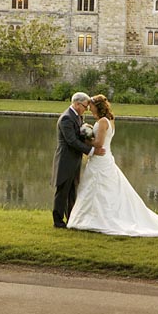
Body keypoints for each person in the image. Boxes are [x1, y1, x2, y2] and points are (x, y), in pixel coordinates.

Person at [67, 94, 158, 237]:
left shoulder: (102, 122)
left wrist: (83, 139)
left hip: (101, 160)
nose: (89, 110)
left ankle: (97, 220)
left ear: (97, 107)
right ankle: (94, 218)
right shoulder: (110, 120)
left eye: (90, 107)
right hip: (104, 159)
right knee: (101, 189)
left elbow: (98, 144)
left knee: (98, 188)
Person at [52, 92, 104, 228]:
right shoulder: (66, 119)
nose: (86, 109)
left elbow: (78, 137)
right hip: (65, 160)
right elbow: (71, 141)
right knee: (62, 191)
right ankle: (57, 221)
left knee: (72, 191)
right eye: (85, 106)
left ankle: (71, 219)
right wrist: (92, 151)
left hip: (74, 160)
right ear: (76, 104)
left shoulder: (78, 117)